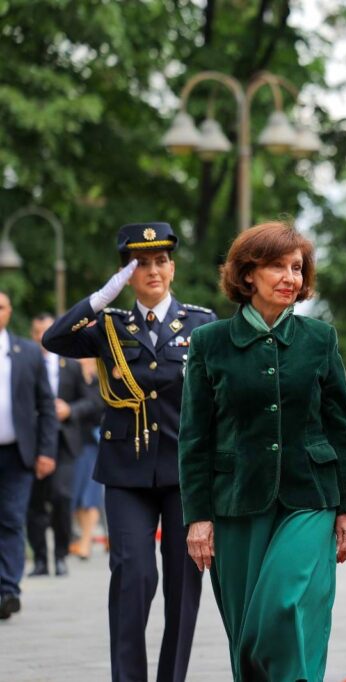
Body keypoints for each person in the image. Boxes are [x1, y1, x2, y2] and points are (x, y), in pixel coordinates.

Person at [178, 221, 346, 682]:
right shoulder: (209, 342)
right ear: (247, 275)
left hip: (312, 495)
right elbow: (195, 436)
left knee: (282, 608)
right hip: (236, 499)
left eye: (297, 268)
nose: (290, 277)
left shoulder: (320, 339)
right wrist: (198, 516)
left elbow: (341, 426)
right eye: (277, 266)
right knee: (245, 632)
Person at [42, 223, 216, 682]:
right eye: (141, 264)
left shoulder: (201, 324)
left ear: (173, 268)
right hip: (125, 472)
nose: (153, 270)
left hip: (183, 472)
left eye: (161, 261)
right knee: (132, 576)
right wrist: (100, 299)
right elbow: (54, 339)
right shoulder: (110, 325)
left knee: (183, 585)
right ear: (126, 274)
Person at [26, 313, 102, 577]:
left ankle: (59, 554)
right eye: (37, 332)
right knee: (35, 502)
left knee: (62, 496)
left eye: (46, 331)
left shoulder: (71, 366)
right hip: (33, 442)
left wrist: (70, 410)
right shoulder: (25, 363)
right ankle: (39, 559)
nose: (41, 338)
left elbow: (93, 401)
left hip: (65, 442)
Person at [0, 291, 58, 620]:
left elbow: (46, 406)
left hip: (17, 454)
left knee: (11, 518)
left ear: (9, 312)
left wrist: (46, 451)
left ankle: (8, 590)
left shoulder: (28, 353)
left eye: (0, 307)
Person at [68, 357, 105, 560]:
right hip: (77, 443)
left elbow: (97, 406)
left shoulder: (99, 379)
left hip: (95, 442)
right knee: (79, 495)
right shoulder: (74, 376)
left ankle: (85, 543)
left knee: (90, 495)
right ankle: (85, 539)